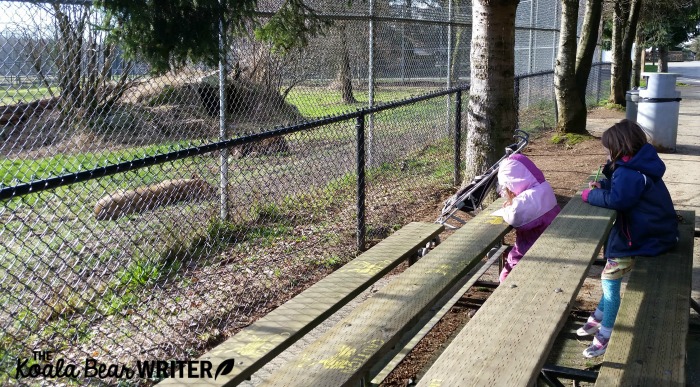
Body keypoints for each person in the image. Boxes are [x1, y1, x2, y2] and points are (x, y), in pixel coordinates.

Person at [578, 119, 679, 358]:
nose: (606, 152)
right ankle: (600, 314)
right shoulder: (638, 164)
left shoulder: (628, 172)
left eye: (608, 148)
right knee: (609, 274)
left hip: (644, 237)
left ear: (619, 148)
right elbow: (622, 190)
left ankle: (605, 332)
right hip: (654, 231)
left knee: (609, 279)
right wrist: (604, 183)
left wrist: (590, 195)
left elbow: (618, 200)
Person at [496, 153, 561, 283]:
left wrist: (505, 210)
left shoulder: (528, 199)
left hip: (530, 250)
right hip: (548, 244)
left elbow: (515, 217)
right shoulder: (543, 187)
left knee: (505, 276)